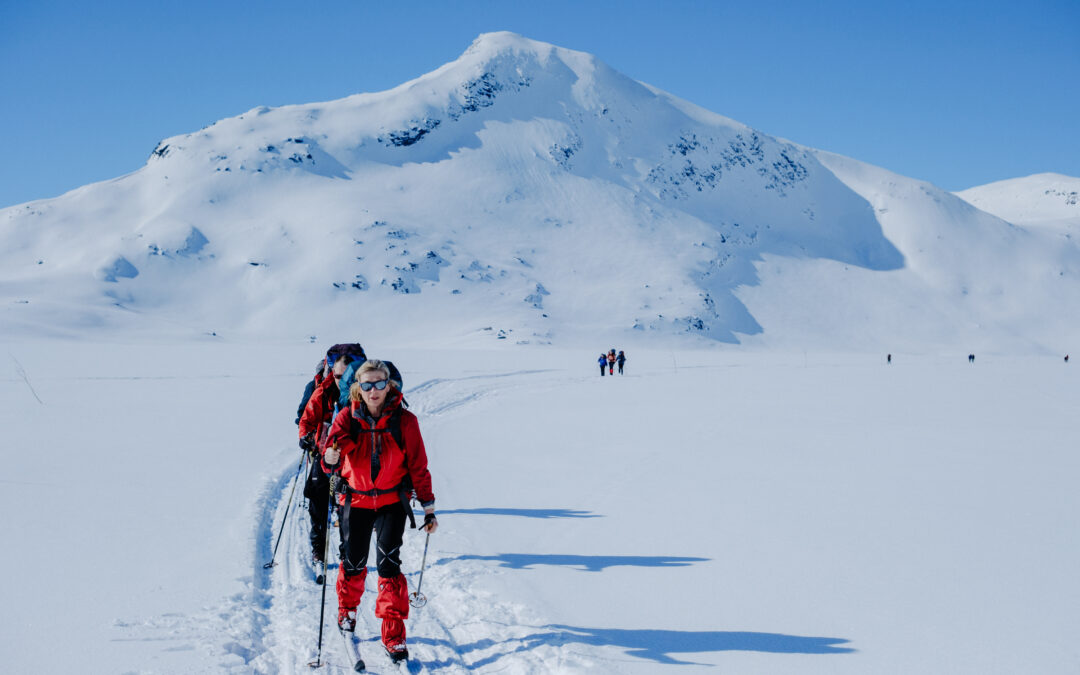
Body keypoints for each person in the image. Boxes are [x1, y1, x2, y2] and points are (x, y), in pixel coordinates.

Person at [323, 359, 437, 663]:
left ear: (390, 386)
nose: (374, 390)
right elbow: (329, 459)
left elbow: (418, 465)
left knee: (388, 564)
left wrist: (428, 507)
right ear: (359, 388)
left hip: (391, 503)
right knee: (354, 560)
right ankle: (346, 612)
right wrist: (330, 456)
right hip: (355, 501)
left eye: (380, 383)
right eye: (367, 384)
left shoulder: (406, 421)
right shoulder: (347, 418)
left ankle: (393, 632)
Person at [298, 354, 353, 570]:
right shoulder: (321, 391)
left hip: (350, 461)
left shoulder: (362, 395)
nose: (341, 379)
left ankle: (346, 553)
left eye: (346, 375)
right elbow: (306, 415)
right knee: (318, 503)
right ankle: (318, 550)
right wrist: (306, 435)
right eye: (338, 375)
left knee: (346, 508)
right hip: (323, 455)